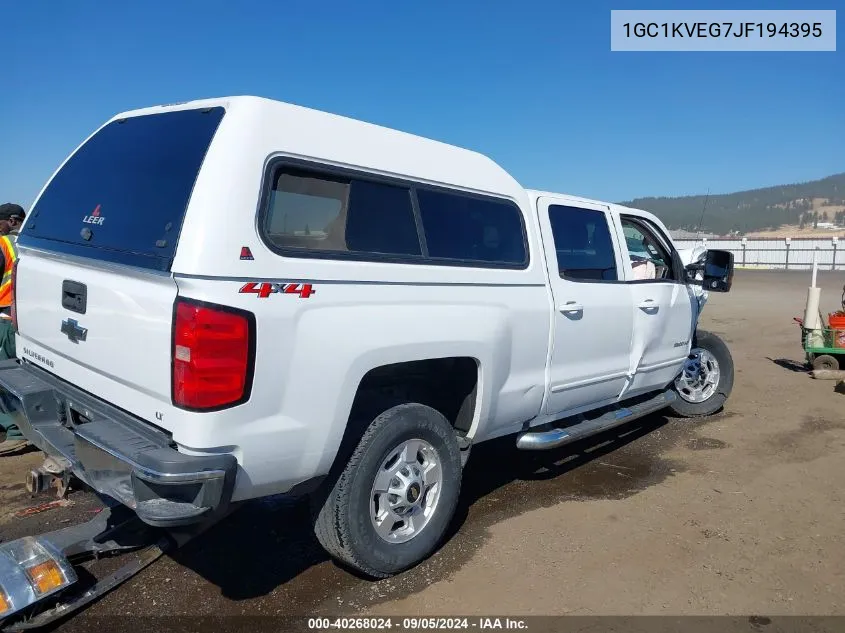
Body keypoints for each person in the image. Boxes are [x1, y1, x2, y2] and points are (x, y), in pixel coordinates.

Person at [0, 202, 27, 455]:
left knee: (4, 375)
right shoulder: (32, 241)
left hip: (5, 318)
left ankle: (16, 430)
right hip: (24, 319)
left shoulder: (4, 244)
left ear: (11, 220)